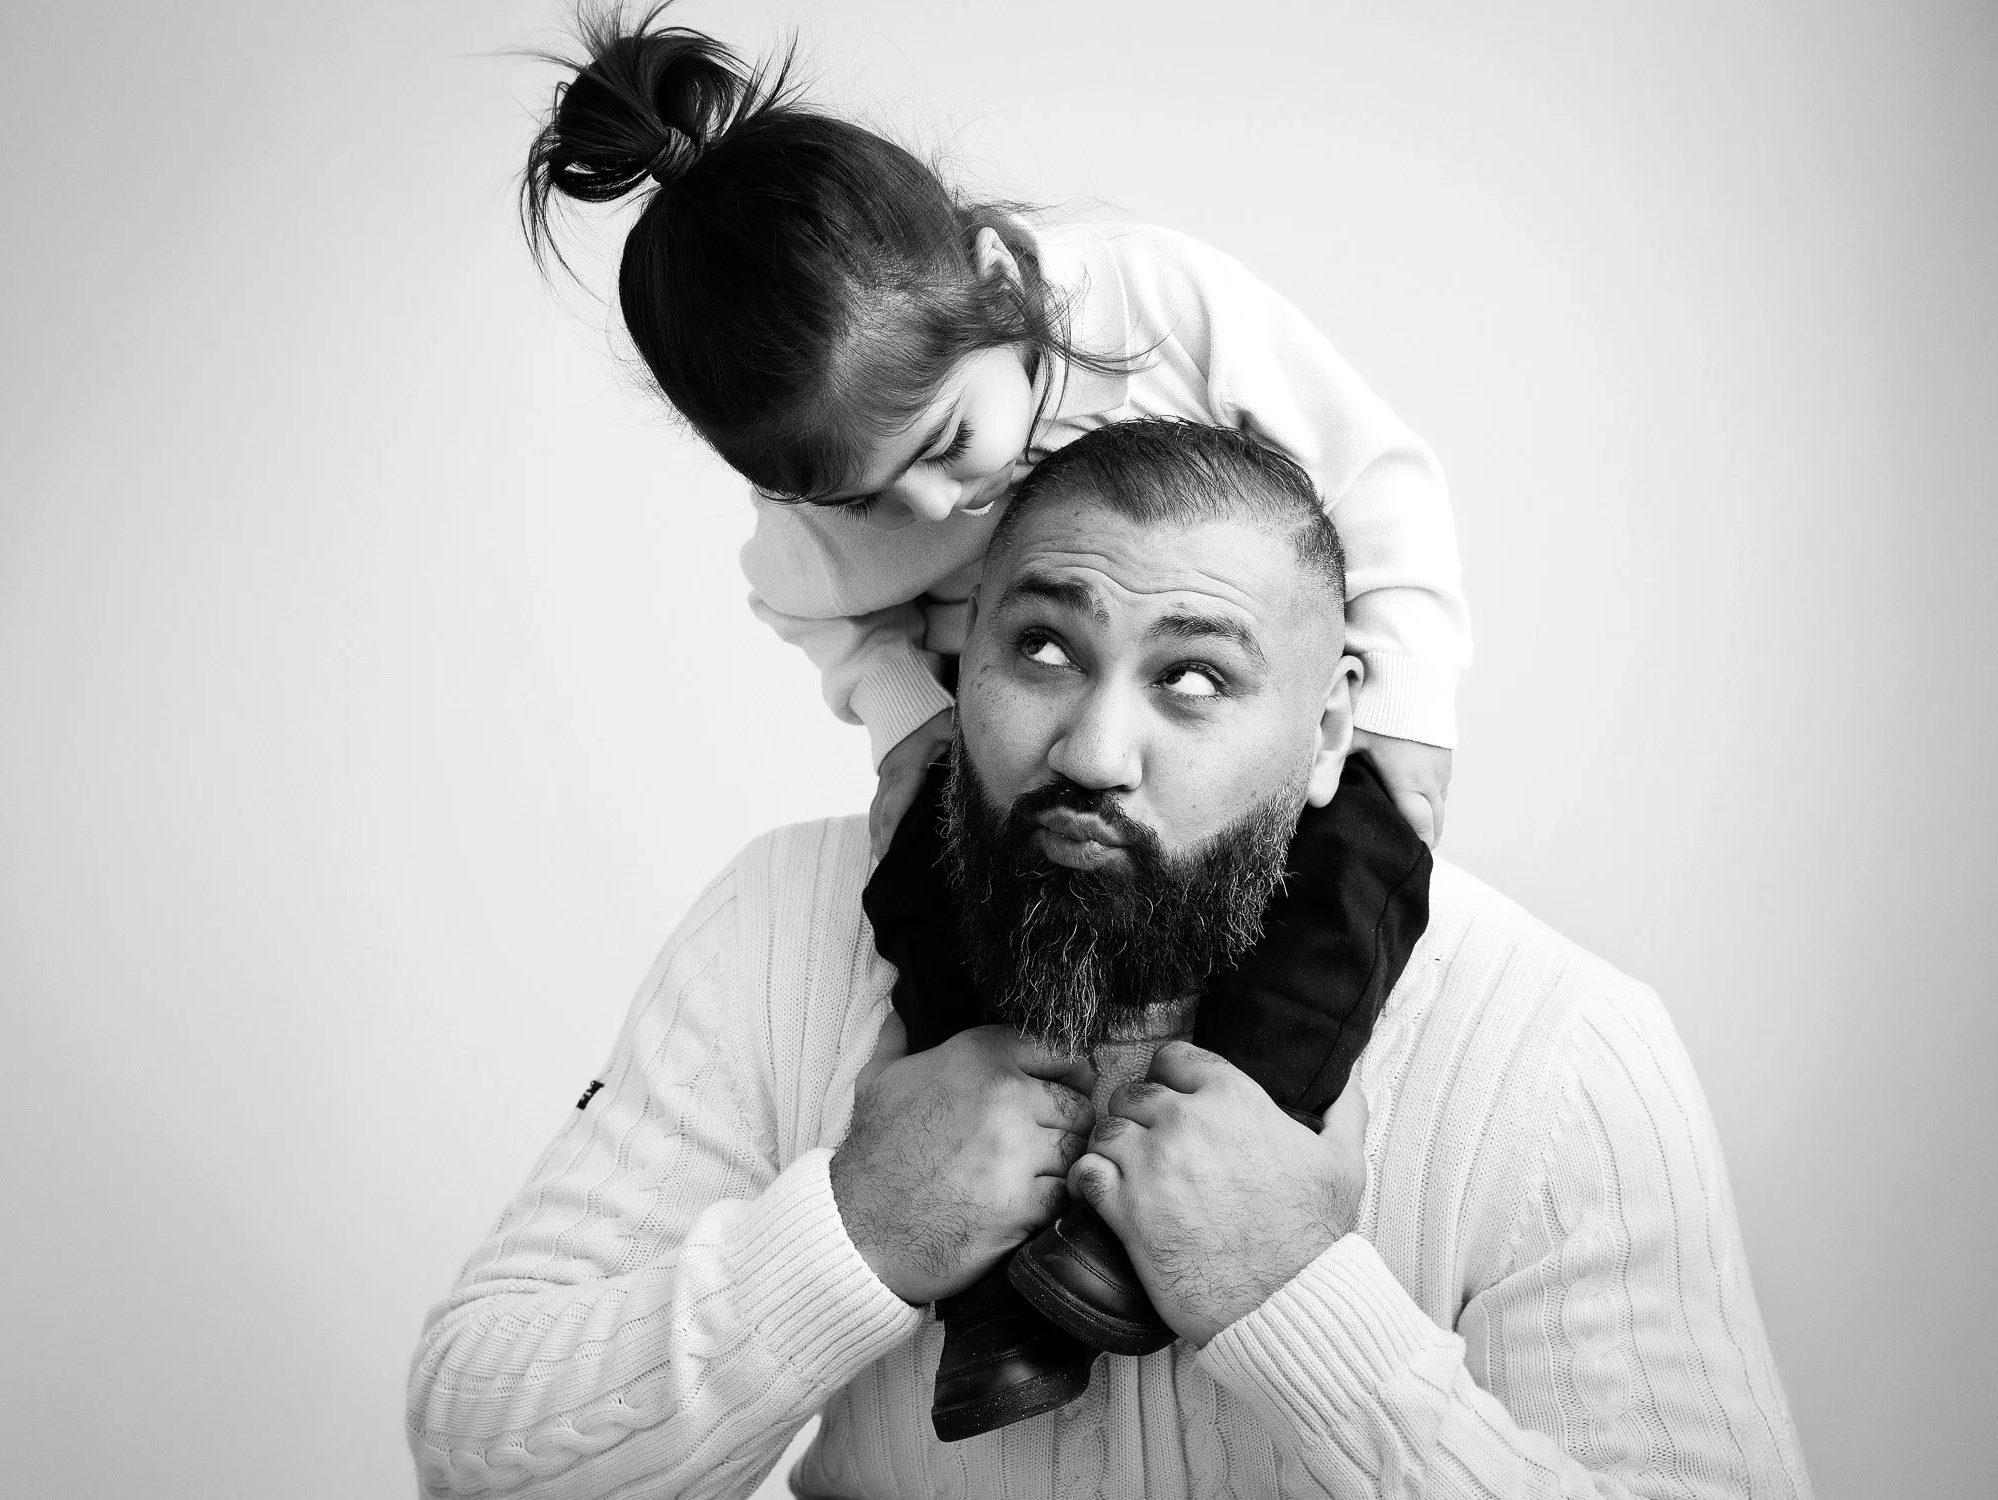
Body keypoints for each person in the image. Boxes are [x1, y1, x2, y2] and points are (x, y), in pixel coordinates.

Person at [407, 420, 1811, 1498]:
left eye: (1192, 678)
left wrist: (1301, 1304)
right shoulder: (782, 923)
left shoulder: (1560, 1050)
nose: (1092, 752)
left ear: (1329, 737)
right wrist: (849, 1237)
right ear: (957, 669)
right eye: (1042, 649)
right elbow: (480, 1449)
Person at [519, 4, 1469, 855]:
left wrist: (1407, 698)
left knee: (1364, 863)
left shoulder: (1154, 301)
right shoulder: (812, 527)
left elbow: (1374, 478)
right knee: (921, 870)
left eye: (941, 440)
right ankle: (943, 1053)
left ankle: (1258, 1061)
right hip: (1023, 763)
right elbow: (810, 609)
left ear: (1000, 287)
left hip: (1245, 725)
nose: (929, 503)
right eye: (860, 498)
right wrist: (905, 720)